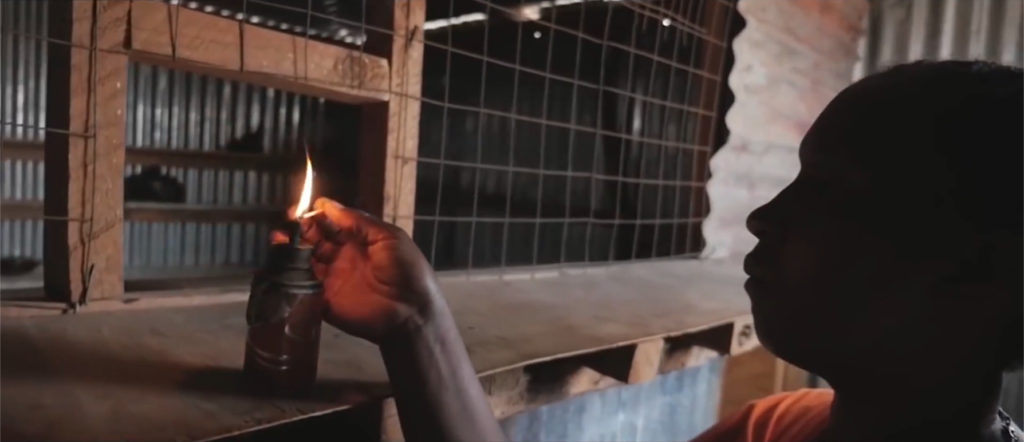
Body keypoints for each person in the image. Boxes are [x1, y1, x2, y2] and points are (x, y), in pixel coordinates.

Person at [290, 60, 1022, 442]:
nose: (767, 217)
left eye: (836, 196)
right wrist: (416, 319)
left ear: (984, 275)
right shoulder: (782, 427)